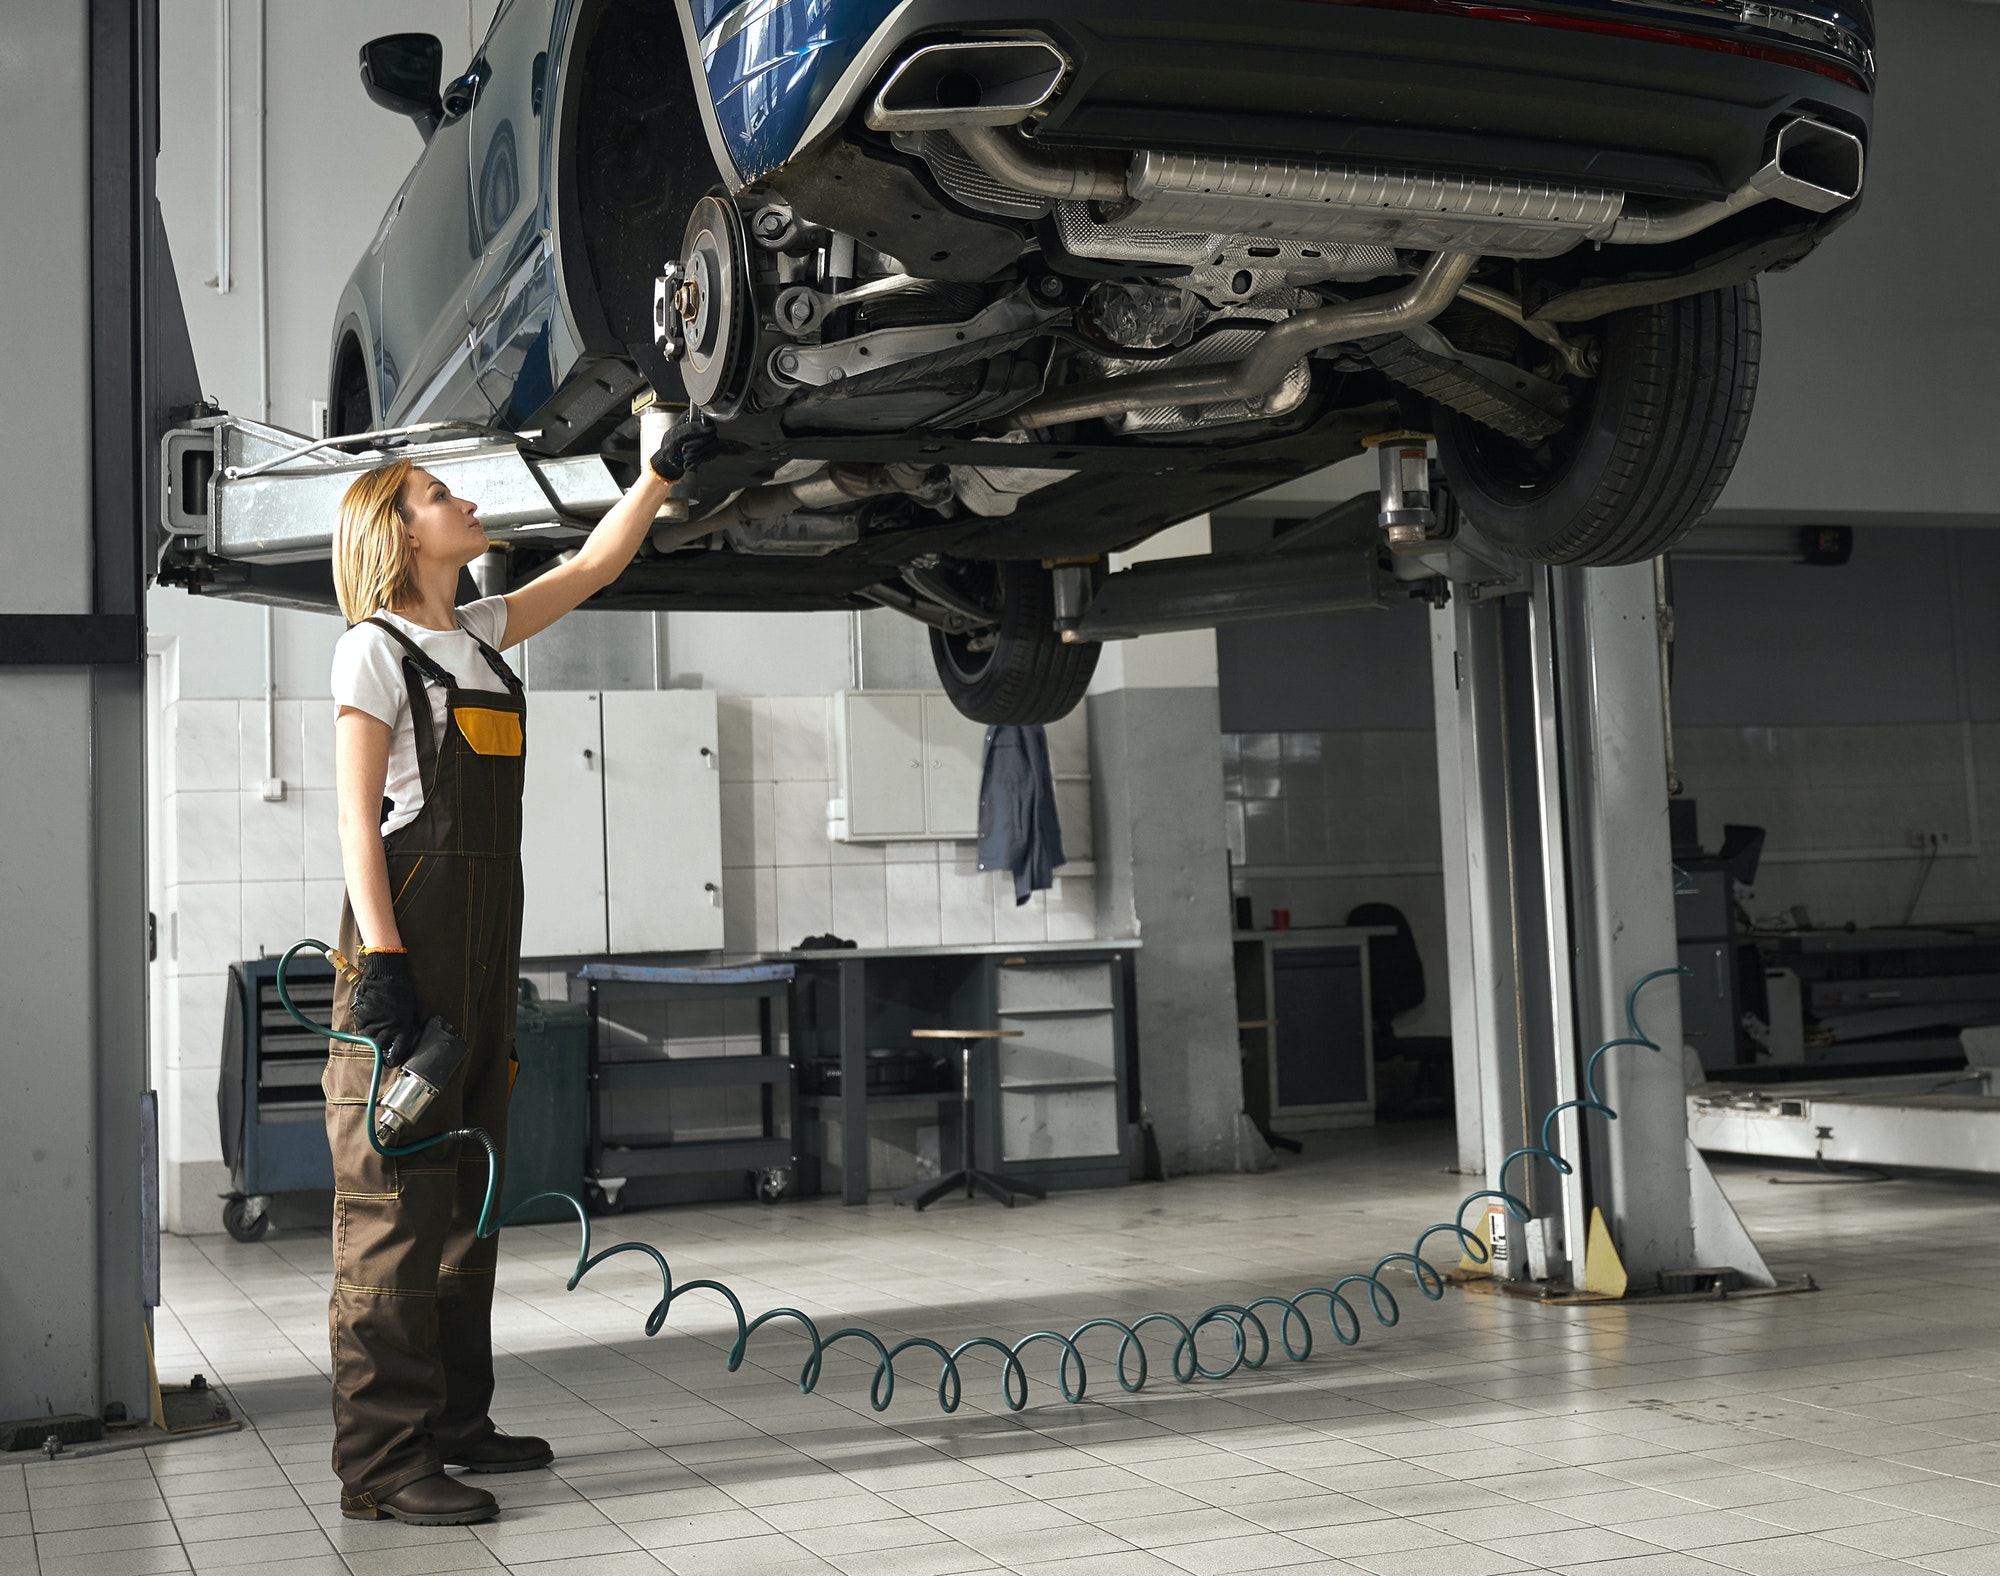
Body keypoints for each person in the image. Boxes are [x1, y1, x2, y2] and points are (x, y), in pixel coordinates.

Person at [324, 411, 715, 1526]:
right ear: (398, 530)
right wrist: (389, 966)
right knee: (394, 1206)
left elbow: (594, 564)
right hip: (407, 956)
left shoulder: (482, 638)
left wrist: (656, 474)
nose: (466, 503)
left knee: (468, 1194)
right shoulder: (374, 646)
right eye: (442, 495)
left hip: (484, 947)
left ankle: (453, 1422)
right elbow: (359, 820)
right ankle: (384, 1462)